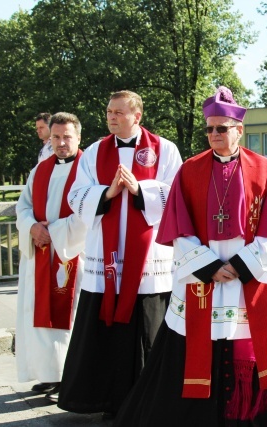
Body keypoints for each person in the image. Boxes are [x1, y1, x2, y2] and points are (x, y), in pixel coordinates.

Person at [113, 86, 267, 426]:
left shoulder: (264, 169)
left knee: (240, 350)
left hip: (244, 280)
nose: (214, 134)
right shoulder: (190, 169)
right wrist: (209, 266)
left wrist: (238, 266)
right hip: (202, 281)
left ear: (239, 130)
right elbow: (178, 228)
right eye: (209, 129)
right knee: (196, 353)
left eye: (221, 128)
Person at [58, 90, 183, 419]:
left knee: (149, 328)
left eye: (119, 112)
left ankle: (152, 402)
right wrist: (108, 192)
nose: (111, 116)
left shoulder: (165, 149)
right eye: (109, 111)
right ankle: (109, 401)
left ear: (137, 116)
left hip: (149, 260)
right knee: (108, 329)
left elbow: (177, 194)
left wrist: (140, 189)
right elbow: (76, 195)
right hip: (106, 255)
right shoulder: (95, 151)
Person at [15, 112, 86, 404]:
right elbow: (24, 206)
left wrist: (53, 232)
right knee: (37, 313)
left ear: (78, 137)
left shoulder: (88, 169)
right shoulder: (40, 170)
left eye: (67, 136)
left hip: (72, 255)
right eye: (55, 137)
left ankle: (67, 377)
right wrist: (32, 227)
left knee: (68, 315)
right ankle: (48, 373)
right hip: (39, 255)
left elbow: (89, 212)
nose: (60, 142)